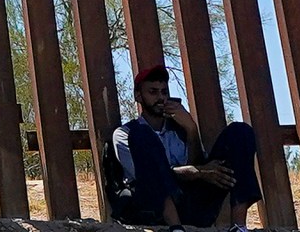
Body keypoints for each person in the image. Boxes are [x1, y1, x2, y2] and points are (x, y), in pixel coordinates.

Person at [109, 66, 261, 230]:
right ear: (138, 96)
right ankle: (176, 227)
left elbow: (197, 163)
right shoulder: (127, 134)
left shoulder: (179, 130)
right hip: (153, 208)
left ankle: (239, 226)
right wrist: (199, 172)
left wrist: (191, 129)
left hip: (191, 204)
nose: (161, 98)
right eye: (153, 92)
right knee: (144, 136)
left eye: (164, 92)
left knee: (240, 132)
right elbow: (146, 175)